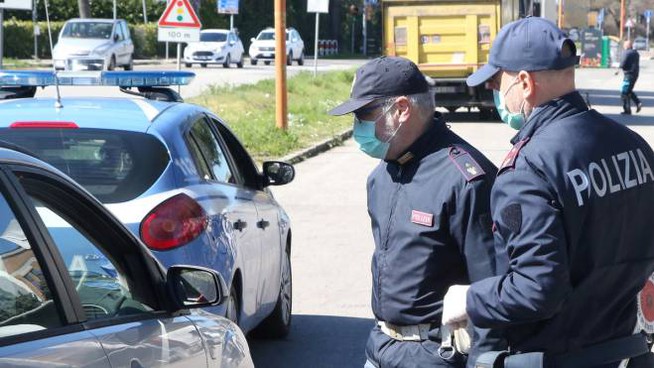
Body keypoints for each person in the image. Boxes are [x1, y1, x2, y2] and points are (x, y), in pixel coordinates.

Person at [441, 17, 654, 367]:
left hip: (562, 356)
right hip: (629, 351)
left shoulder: (528, 169)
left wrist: (470, 300)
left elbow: (537, 289)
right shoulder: (633, 145)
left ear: (524, 82)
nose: (496, 92)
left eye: (498, 81)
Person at [328, 56, 505, 368]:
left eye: (364, 114)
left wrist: (485, 360)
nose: (357, 127)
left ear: (401, 110)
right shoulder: (381, 175)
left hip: (436, 353)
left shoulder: (464, 179)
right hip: (381, 346)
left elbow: (491, 284)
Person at [616, 40, 642, 115]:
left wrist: (618, 69)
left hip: (628, 75)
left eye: (624, 45)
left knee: (624, 92)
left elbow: (623, 63)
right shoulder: (636, 53)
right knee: (628, 90)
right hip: (635, 74)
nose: (624, 46)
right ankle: (637, 104)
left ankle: (628, 109)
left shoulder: (626, 52)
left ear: (627, 46)